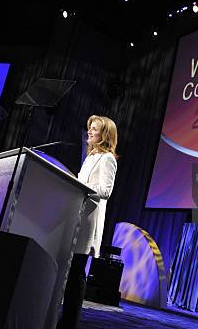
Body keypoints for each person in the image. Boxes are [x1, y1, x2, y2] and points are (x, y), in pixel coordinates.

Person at [59, 115, 118, 329]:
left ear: (104, 135)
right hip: (77, 218)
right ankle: (64, 319)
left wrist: (81, 187)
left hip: (88, 223)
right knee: (71, 273)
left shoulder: (107, 159)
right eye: (89, 128)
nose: (90, 132)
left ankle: (69, 323)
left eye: (94, 129)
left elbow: (106, 191)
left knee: (77, 274)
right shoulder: (90, 157)